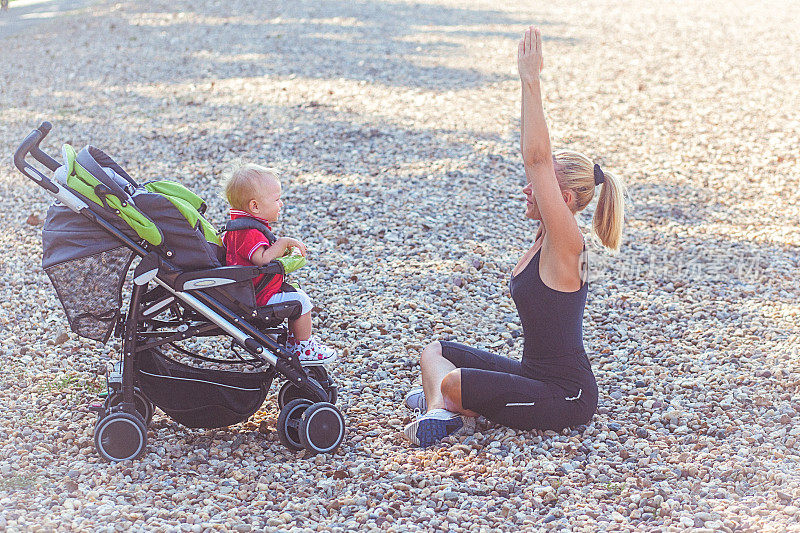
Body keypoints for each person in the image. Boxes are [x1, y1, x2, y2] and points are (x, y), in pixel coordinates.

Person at [402, 27, 626, 447]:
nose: (527, 188)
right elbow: (538, 165)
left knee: (451, 382)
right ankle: (440, 407)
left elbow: (538, 158)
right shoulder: (545, 238)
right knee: (434, 352)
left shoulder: (568, 242)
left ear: (562, 199)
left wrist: (530, 79)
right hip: (532, 376)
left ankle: (443, 403)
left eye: (538, 187)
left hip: (566, 395)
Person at [223, 163, 336, 365]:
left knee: (295, 294)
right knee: (301, 301)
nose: (281, 204)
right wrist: (284, 243)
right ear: (254, 206)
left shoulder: (237, 229)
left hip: (249, 290)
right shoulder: (249, 233)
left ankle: (295, 342)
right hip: (256, 296)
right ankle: (302, 347)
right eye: (276, 199)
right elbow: (263, 259)